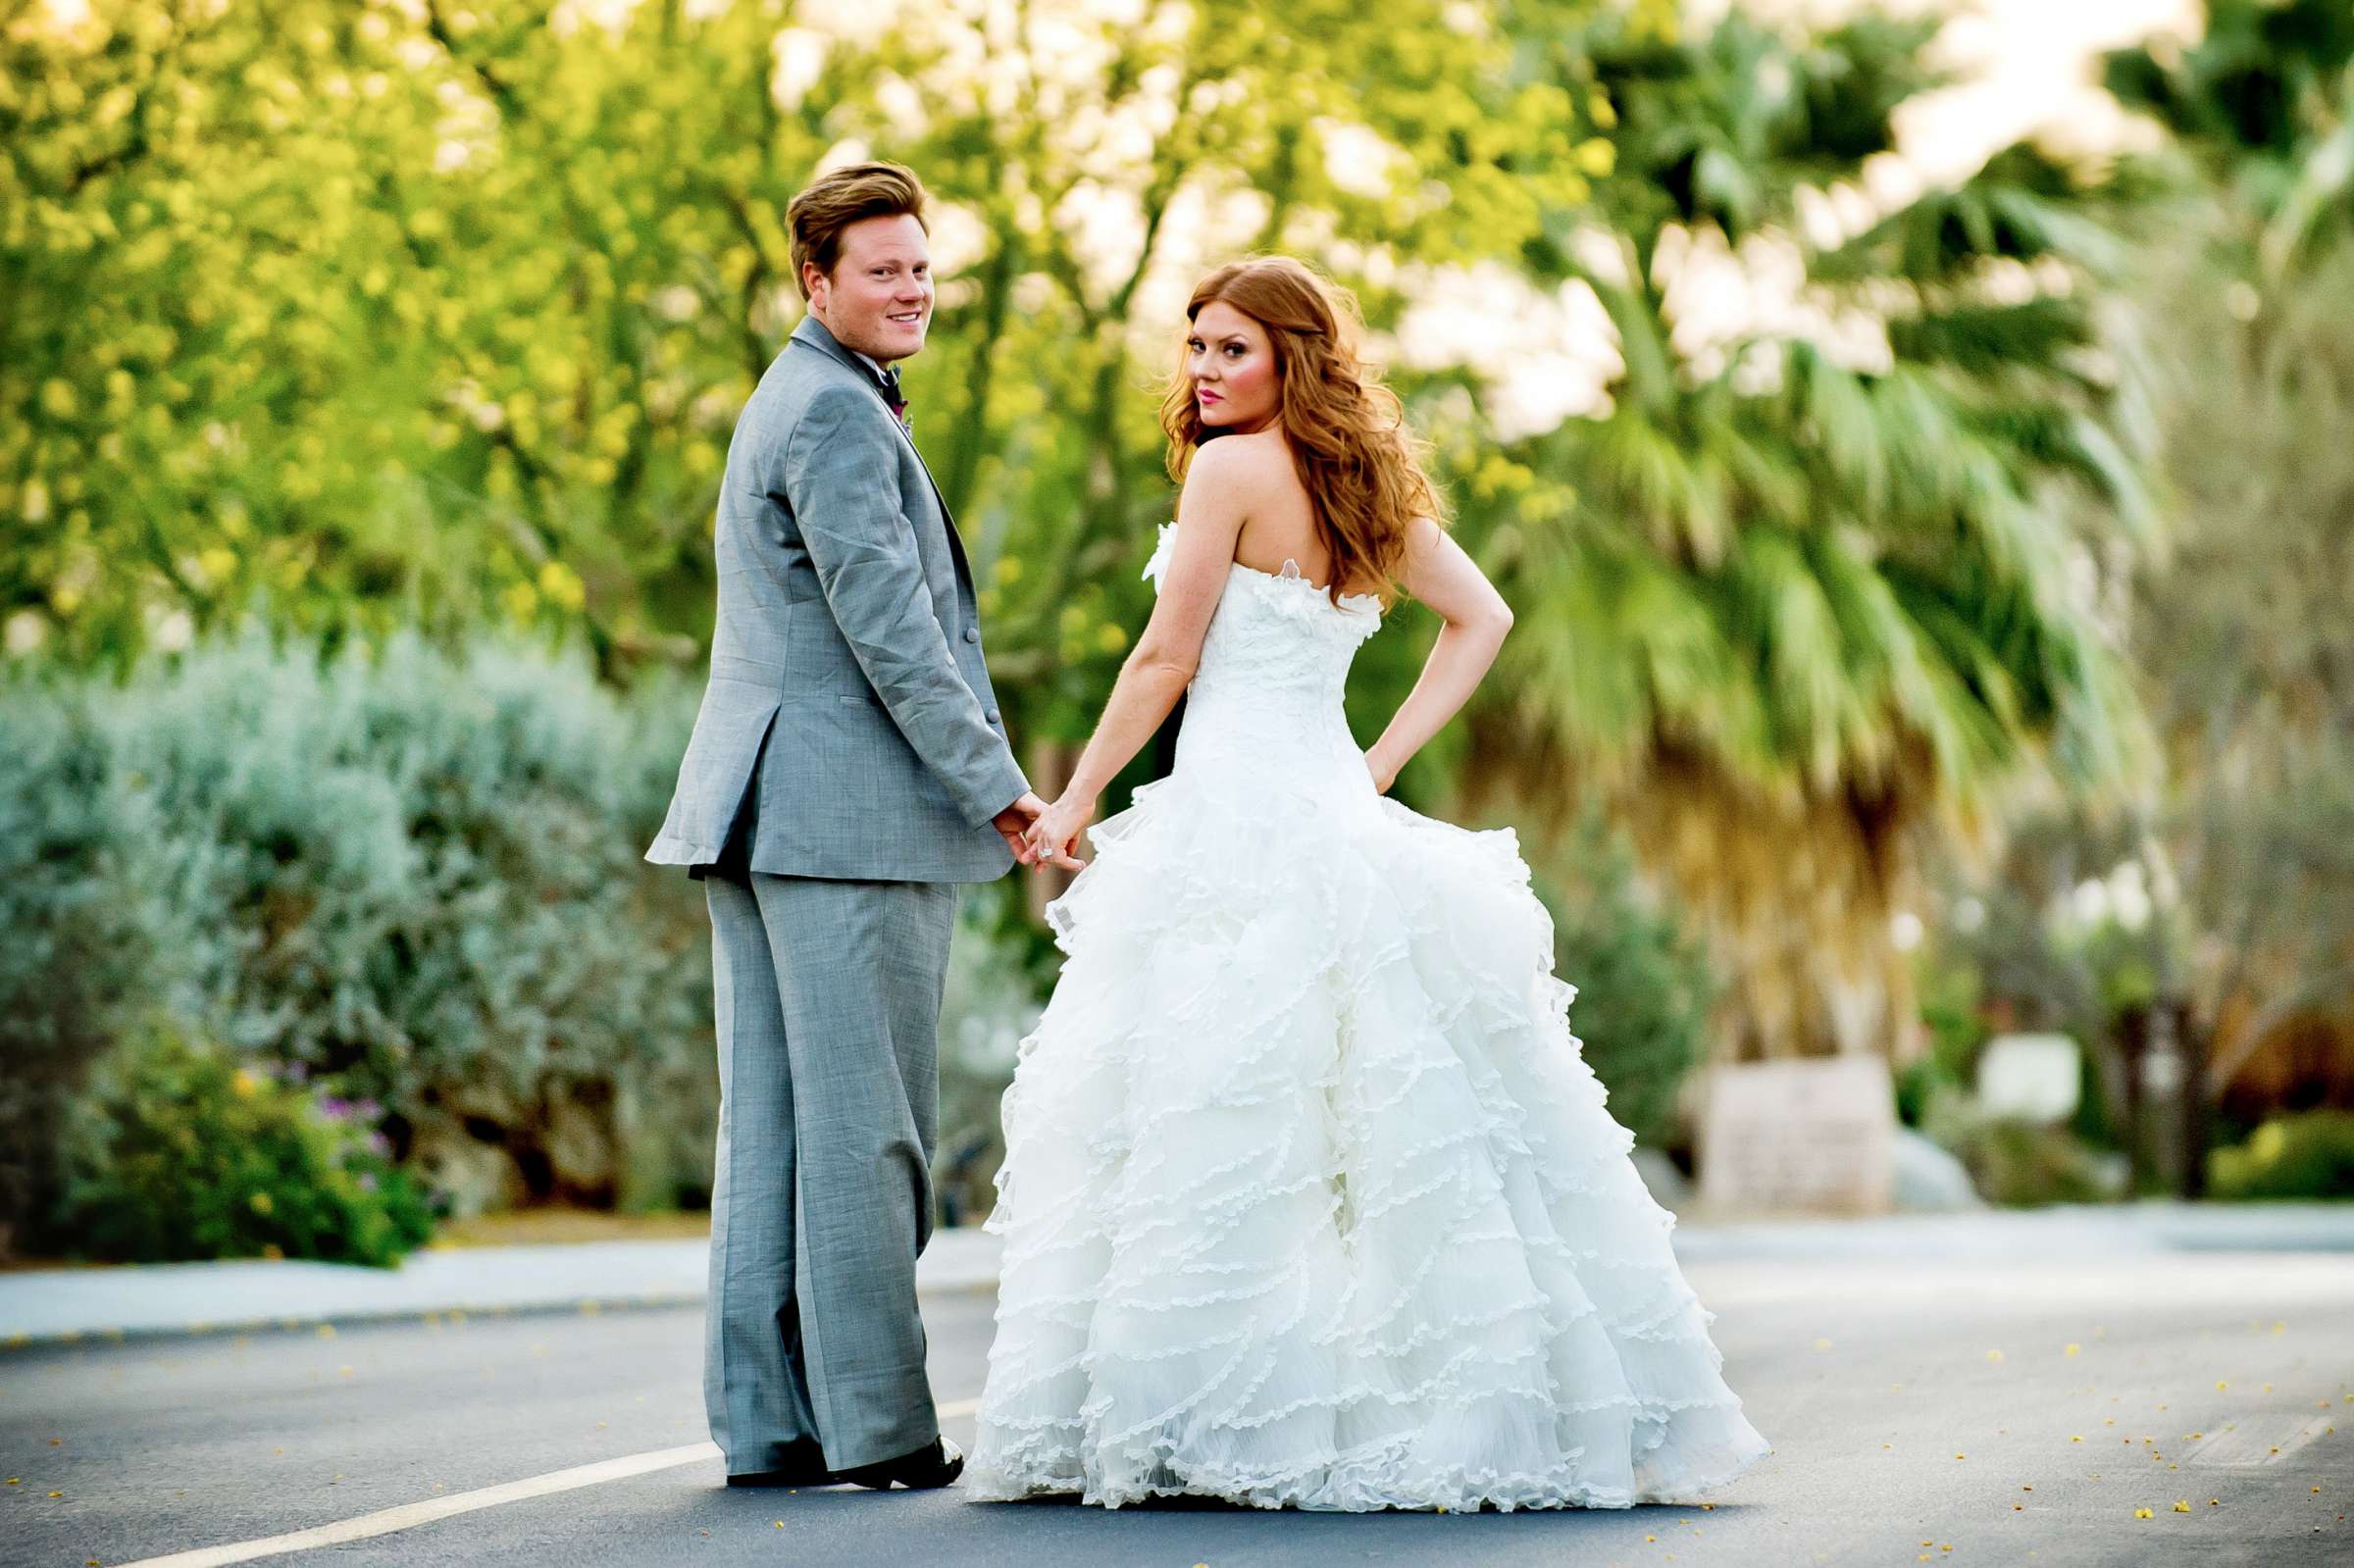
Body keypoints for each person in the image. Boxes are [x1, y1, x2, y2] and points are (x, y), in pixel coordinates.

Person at [964, 256, 1770, 1511]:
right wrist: (1378, 766)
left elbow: (1164, 655)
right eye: (1195, 344)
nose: (1205, 368)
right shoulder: (1359, 486)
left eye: (1233, 347)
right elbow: (1482, 617)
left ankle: (1230, 1420)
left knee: (1229, 1126)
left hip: (1238, 821)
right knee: (1371, 1136)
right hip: (1327, 811)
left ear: (1294, 356)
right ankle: (1369, 1415)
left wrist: (1071, 802)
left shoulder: (1229, 471)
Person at [644, 161, 1076, 1492]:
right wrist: (1001, 785)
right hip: (841, 822)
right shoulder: (834, 416)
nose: (914, 290)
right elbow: (892, 632)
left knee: (775, 1126)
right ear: (817, 282)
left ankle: (772, 1426)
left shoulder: (803, 395)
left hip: (762, 809)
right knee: (865, 1130)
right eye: (884, 269)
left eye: (923, 266)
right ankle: (884, 1426)